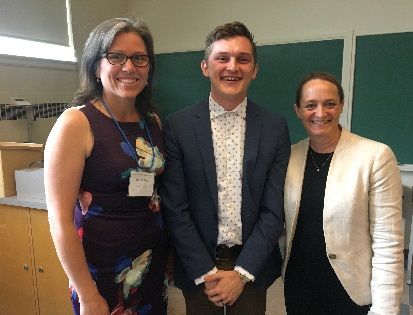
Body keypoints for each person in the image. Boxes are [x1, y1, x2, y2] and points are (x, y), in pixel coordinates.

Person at [160, 21, 291, 314]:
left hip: (251, 267)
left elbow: (273, 210)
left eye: (243, 59)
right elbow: (175, 207)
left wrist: (242, 273)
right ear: (205, 66)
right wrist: (205, 272)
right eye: (223, 58)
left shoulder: (274, 128)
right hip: (197, 267)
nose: (233, 67)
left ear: (255, 69)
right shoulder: (178, 126)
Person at [44, 17, 168, 315]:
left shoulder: (151, 121)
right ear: (95, 66)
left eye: (139, 58)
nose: (129, 67)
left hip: (150, 264)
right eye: (116, 56)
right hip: (100, 273)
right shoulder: (76, 123)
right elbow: (59, 221)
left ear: (149, 68)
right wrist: (86, 294)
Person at [283, 72, 404, 315]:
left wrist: (386, 309)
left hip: (350, 291)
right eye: (310, 105)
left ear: (341, 106)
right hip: (299, 287)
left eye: (330, 104)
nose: (320, 113)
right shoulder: (289, 156)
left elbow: (388, 242)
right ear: (298, 110)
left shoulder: (375, 156)